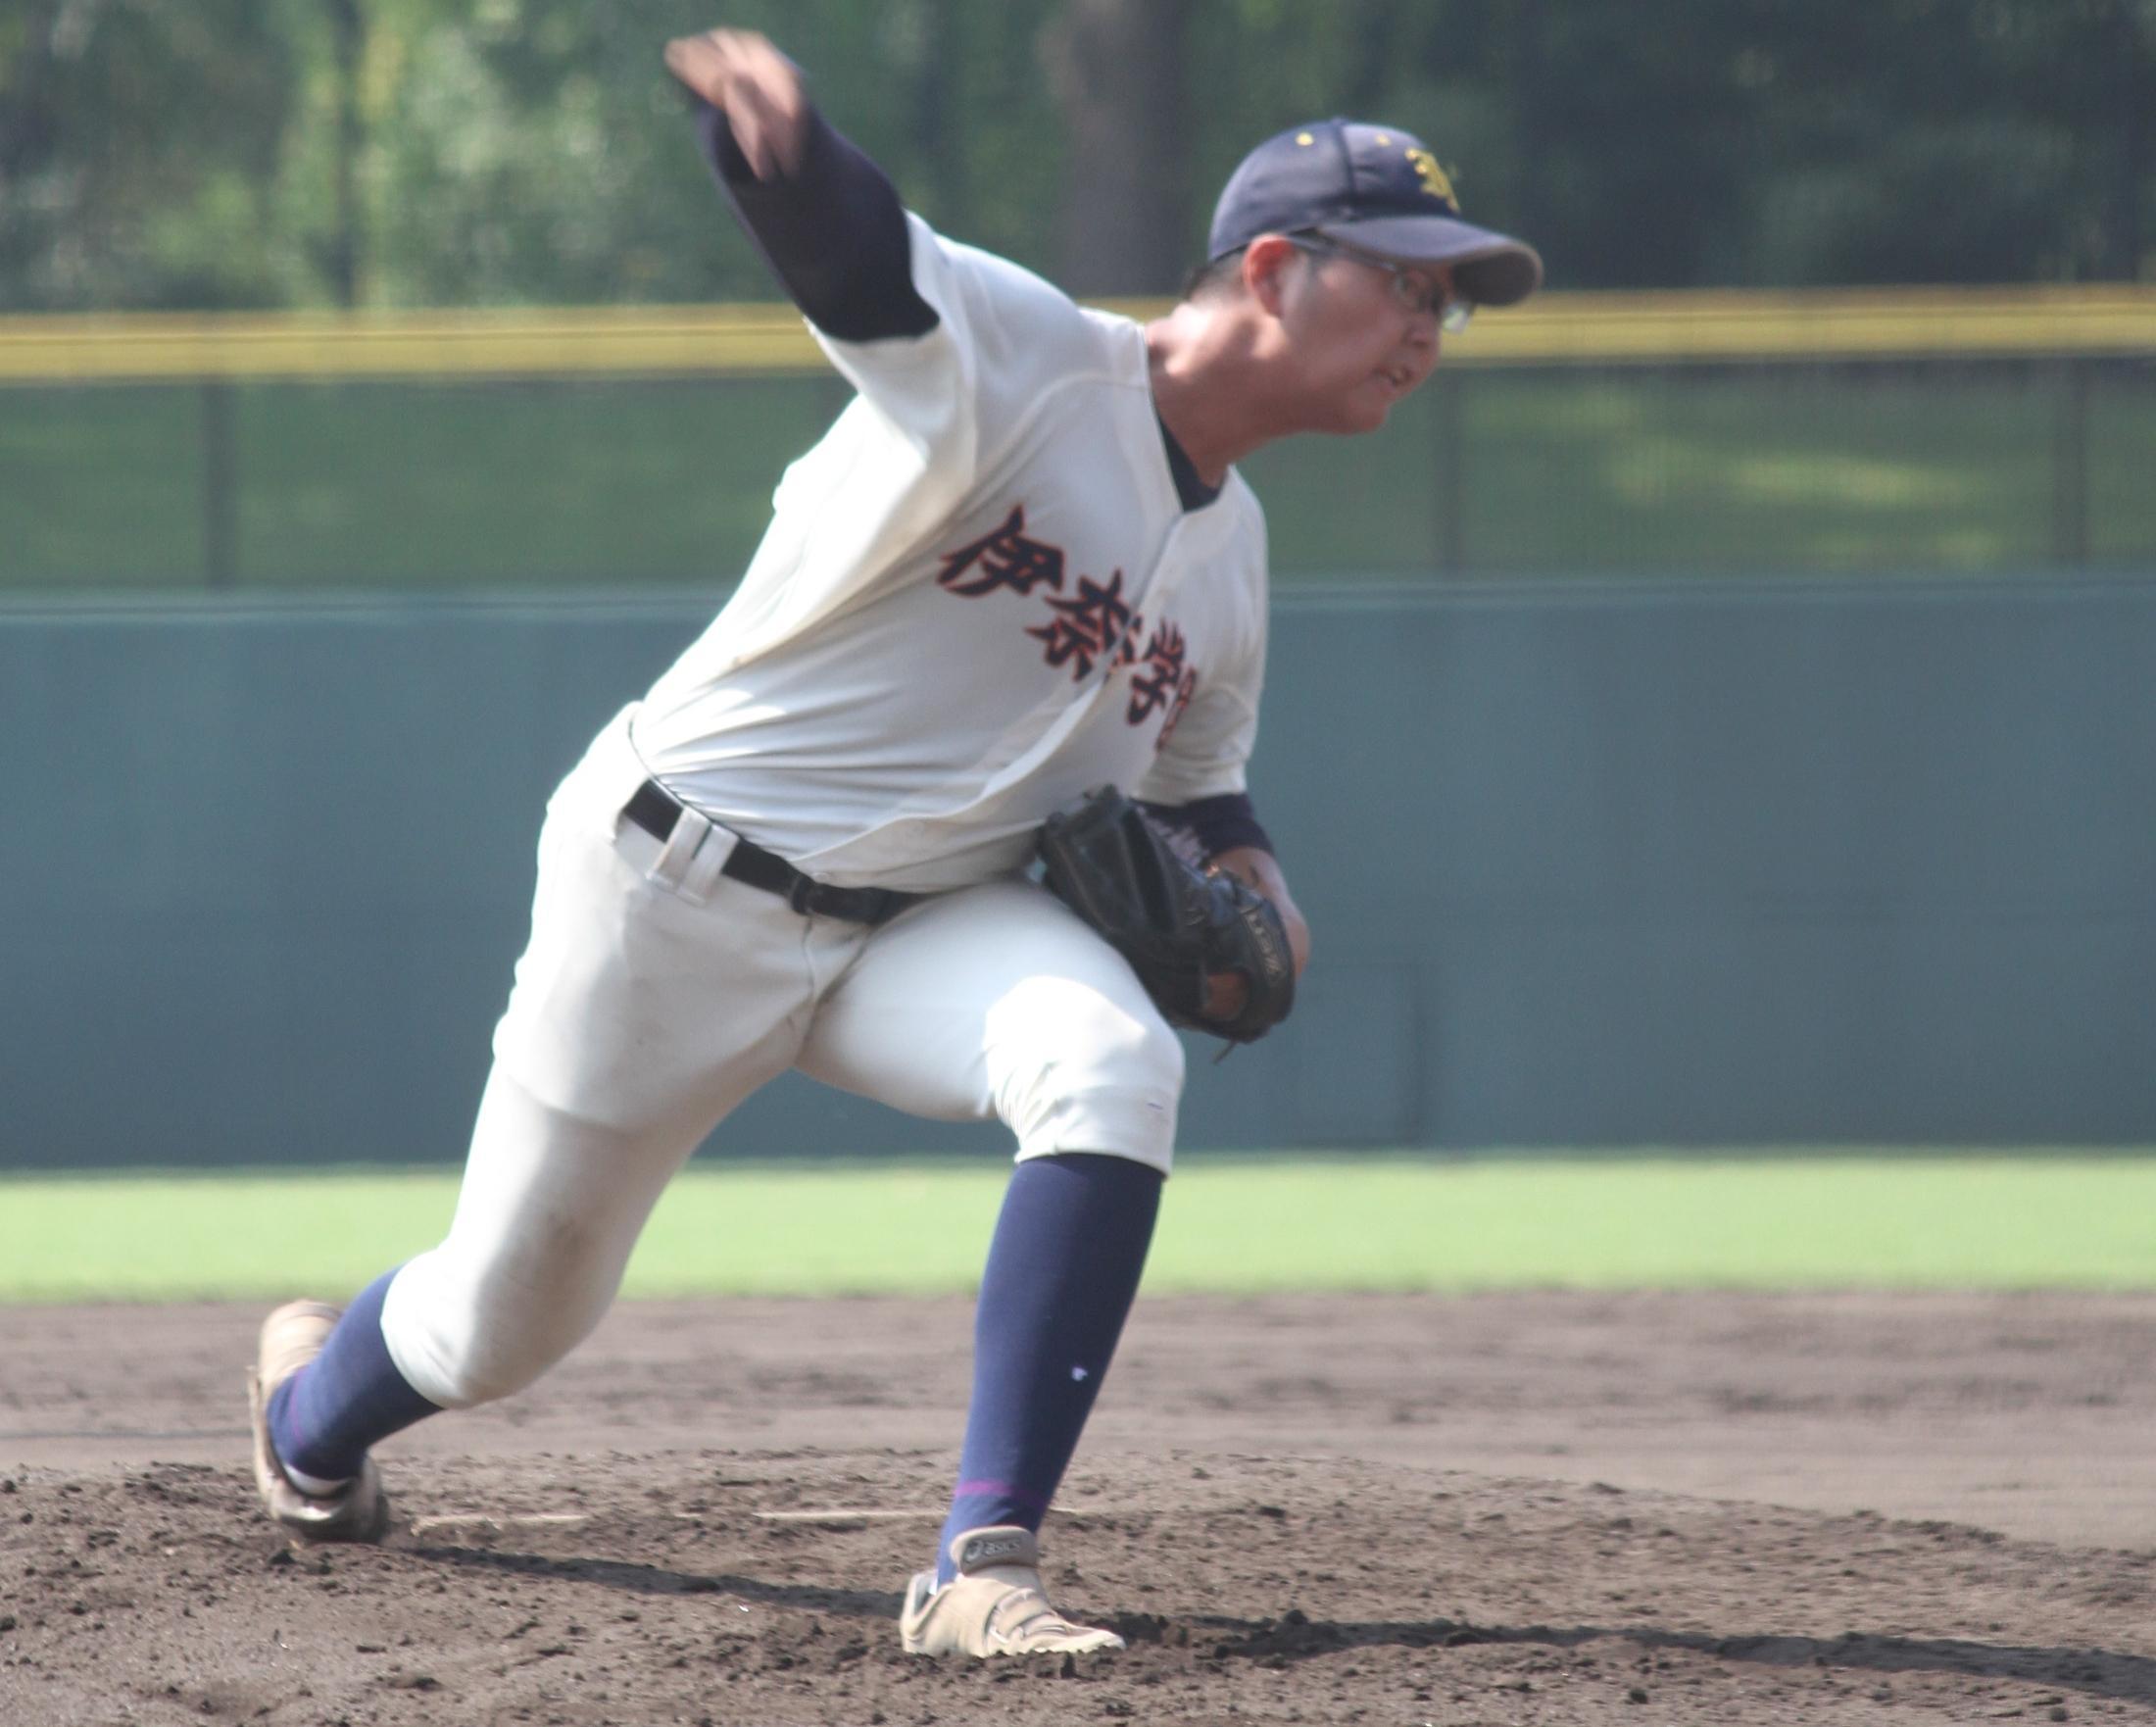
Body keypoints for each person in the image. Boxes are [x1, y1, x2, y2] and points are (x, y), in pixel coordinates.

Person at [244, 25, 1543, 1658]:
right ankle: (310, 1418)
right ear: (1274, 268)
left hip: (917, 930)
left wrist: (1268, 915)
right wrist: (777, 148)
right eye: (1409, 283)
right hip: (672, 886)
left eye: (1452, 301)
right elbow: (860, 267)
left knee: (1109, 1062)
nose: (1434, 325)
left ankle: (981, 1561)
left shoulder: (1238, 557)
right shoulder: (1030, 361)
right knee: (502, 1319)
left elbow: (1205, 799)